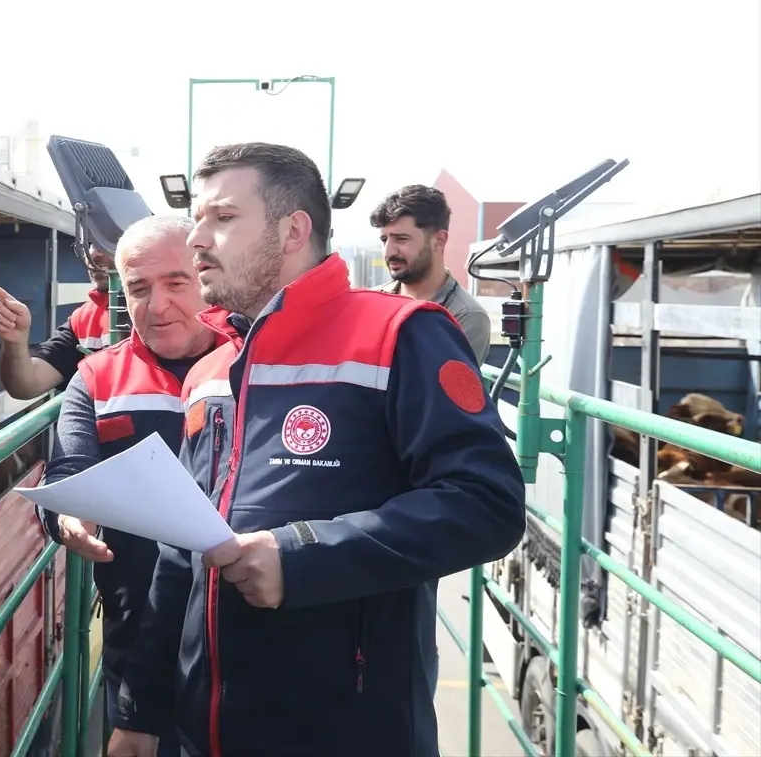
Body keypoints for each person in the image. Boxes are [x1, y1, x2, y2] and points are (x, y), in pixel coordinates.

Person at [108, 143, 526, 757]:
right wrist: (140, 709)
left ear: (294, 230)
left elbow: (486, 504)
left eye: (223, 217)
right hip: (206, 733)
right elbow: (181, 546)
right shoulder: (210, 373)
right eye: (197, 219)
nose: (197, 238)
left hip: (348, 731)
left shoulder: (401, 336)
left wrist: (302, 556)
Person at [35, 215, 230, 757]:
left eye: (176, 282)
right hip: (137, 626)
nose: (157, 305)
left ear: (205, 277)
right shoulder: (98, 377)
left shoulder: (251, 360)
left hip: (240, 626)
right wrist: (67, 517)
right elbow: (67, 470)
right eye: (139, 288)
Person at [370, 184, 492, 365]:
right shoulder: (373, 302)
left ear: (439, 241)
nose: (389, 252)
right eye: (384, 240)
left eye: (401, 239)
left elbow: (445, 382)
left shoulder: (466, 316)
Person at [0, 241, 114, 399]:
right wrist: (15, 342)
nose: (93, 254)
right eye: (90, 243)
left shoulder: (146, 316)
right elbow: (26, 386)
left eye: (108, 239)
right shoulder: (85, 320)